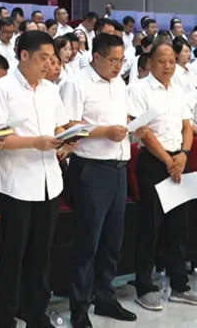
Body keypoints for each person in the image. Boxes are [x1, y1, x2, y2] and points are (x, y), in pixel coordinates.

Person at [0, 31, 77, 327]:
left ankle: (36, 313)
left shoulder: (50, 89)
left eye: (52, 58)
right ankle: (5, 319)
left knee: (41, 255)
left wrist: (67, 139)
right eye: (43, 58)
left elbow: (60, 125)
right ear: (23, 55)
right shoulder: (1, 89)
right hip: (17, 185)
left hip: (50, 183)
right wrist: (35, 142)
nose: (49, 64)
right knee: (13, 257)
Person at [59, 33, 136, 328]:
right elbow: (68, 125)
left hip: (119, 167)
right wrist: (104, 131)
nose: (118, 66)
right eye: (113, 60)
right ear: (97, 57)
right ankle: (79, 308)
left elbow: (121, 118)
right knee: (87, 243)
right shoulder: (77, 83)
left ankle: (105, 297)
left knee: (112, 240)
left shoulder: (119, 84)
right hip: (91, 169)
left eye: (122, 61)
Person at [128, 43, 197, 309]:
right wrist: (167, 160)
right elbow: (143, 131)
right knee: (150, 227)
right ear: (150, 62)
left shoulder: (178, 90)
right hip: (154, 162)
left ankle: (179, 285)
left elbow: (186, 126)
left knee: (179, 227)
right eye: (162, 61)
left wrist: (184, 154)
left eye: (172, 61)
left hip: (178, 160)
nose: (168, 66)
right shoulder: (139, 90)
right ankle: (144, 286)